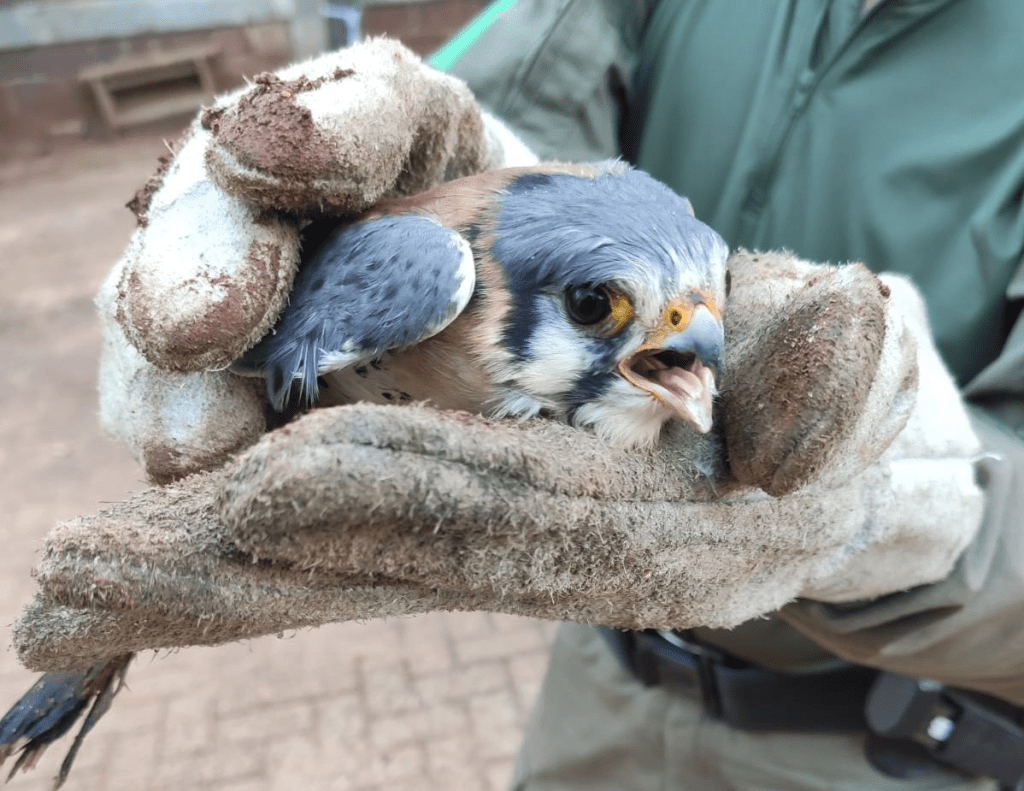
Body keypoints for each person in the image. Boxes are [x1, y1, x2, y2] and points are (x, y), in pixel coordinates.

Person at [431, 1, 1024, 789]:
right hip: (602, 682)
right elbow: (512, 123)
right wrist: (438, 178)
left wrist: (872, 497)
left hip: (868, 743)